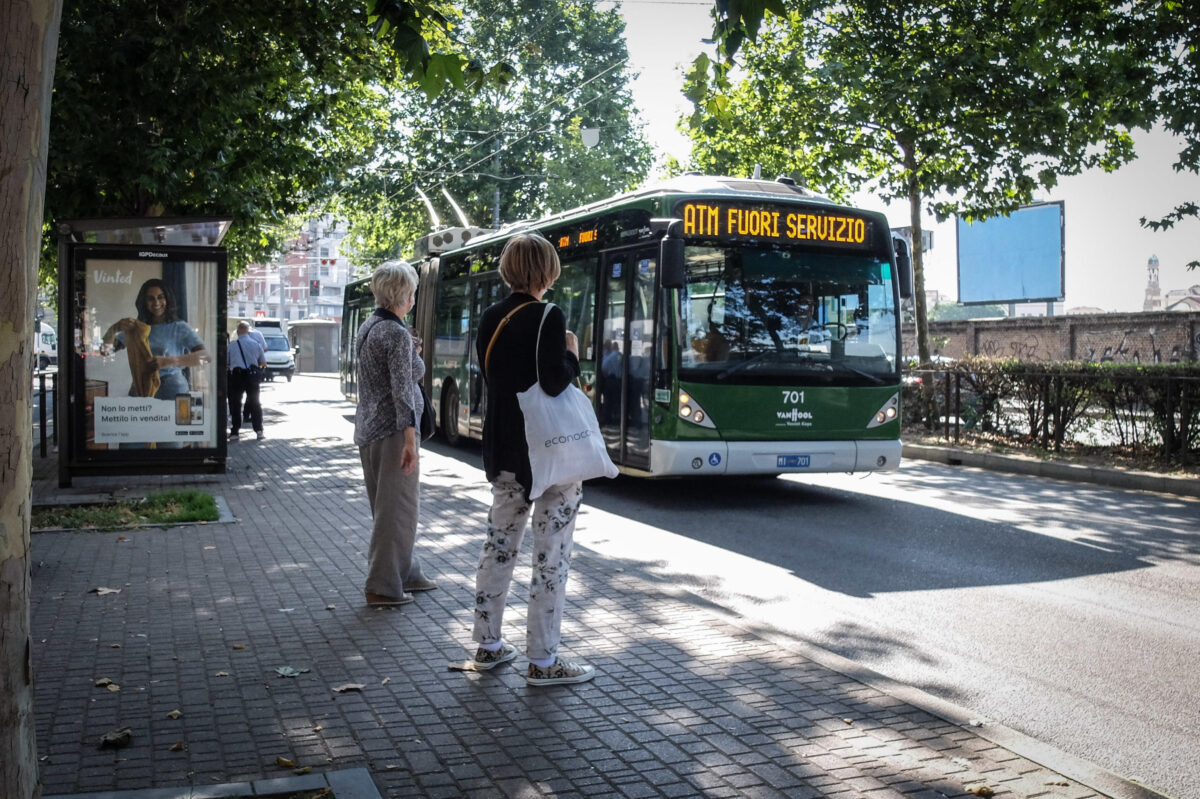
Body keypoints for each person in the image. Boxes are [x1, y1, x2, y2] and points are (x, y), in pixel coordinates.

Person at [467, 232, 595, 687]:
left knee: (499, 547)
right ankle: (543, 661)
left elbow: (495, 377)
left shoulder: (489, 317)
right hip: (549, 456)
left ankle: (487, 645)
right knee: (550, 558)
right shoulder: (548, 315)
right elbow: (556, 382)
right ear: (545, 271)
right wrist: (573, 355)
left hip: (502, 450)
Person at [353, 261, 437, 607]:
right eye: (413, 291)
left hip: (369, 428)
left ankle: (407, 571)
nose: (415, 297)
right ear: (403, 294)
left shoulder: (369, 326)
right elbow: (403, 391)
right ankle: (383, 586)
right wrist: (409, 440)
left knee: (386, 508)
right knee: (398, 509)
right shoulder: (397, 334)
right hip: (392, 432)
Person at [103, 278, 211, 399]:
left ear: (167, 299)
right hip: (140, 389)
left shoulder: (179, 327)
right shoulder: (137, 328)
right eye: (150, 298)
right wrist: (114, 328)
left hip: (171, 390)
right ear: (144, 302)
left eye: (161, 297)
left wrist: (169, 361)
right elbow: (105, 351)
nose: (156, 302)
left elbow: (205, 357)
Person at [227, 321, 267, 441]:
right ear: (248, 332)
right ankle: (259, 430)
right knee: (255, 403)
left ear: (238, 331)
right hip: (252, 376)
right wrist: (256, 368)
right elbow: (263, 362)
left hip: (237, 376)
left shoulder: (232, 345)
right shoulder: (256, 344)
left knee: (236, 404)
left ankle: (235, 432)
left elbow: (227, 363)